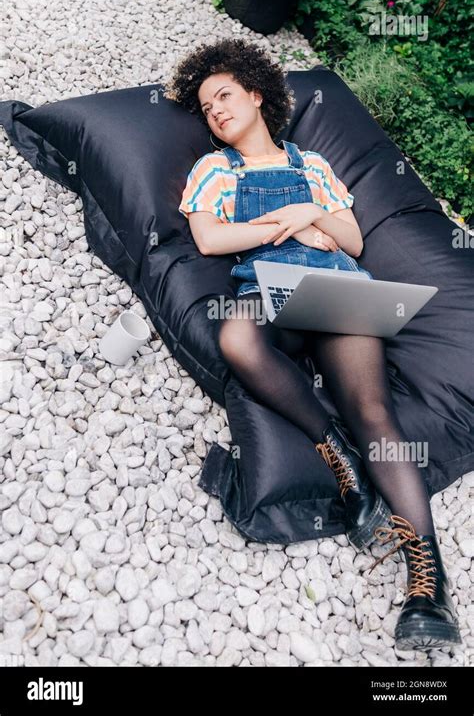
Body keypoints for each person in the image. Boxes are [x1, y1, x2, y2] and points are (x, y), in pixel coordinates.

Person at [164, 38, 461, 652]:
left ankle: (428, 589)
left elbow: (351, 239)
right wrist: (292, 223)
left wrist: (307, 208)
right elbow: (212, 241)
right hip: (271, 294)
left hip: (336, 290)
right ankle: (335, 453)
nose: (215, 110)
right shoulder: (213, 171)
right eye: (205, 106)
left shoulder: (313, 164)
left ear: (255, 95)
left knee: (374, 412)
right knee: (237, 336)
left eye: (224, 95)